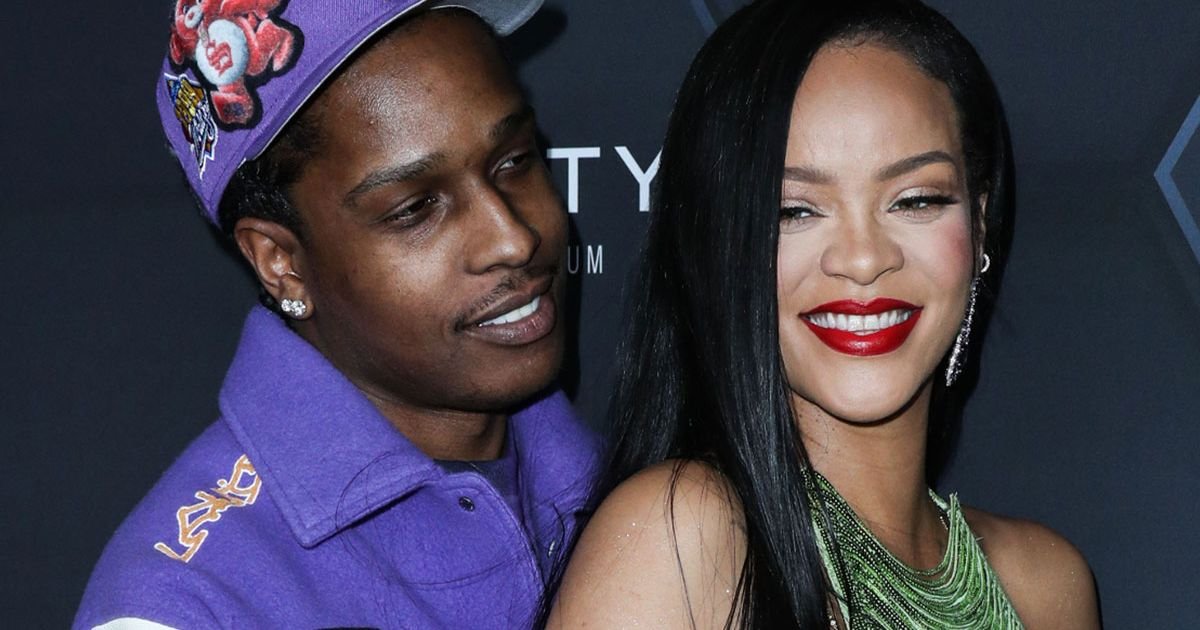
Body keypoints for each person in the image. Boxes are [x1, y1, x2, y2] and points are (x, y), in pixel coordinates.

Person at [545, 1, 1100, 628]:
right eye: (794, 210)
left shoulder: (1046, 586)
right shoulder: (679, 540)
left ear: (978, 225)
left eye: (915, 200)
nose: (863, 260)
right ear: (719, 247)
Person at [75, 1, 598, 628]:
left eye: (514, 161)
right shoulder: (189, 606)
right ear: (281, 262)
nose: (512, 239)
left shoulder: (630, 471)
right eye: (414, 209)